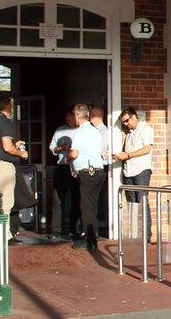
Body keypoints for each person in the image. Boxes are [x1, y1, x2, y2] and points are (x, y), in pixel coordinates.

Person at [67, 103, 106, 251]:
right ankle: (92, 235)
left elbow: (74, 153)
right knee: (92, 205)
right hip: (98, 172)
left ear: (77, 116)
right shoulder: (95, 131)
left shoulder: (80, 132)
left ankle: (89, 239)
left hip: (88, 173)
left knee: (86, 207)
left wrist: (68, 157)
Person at [113, 107, 154, 242]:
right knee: (133, 203)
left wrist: (128, 155)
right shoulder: (130, 133)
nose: (125, 124)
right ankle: (135, 234)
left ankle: (146, 236)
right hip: (129, 171)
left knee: (142, 201)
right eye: (123, 122)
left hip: (141, 170)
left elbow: (147, 149)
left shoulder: (145, 129)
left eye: (126, 121)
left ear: (134, 116)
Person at [0, 96, 28, 245]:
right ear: (8, 107)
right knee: (6, 202)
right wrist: (21, 152)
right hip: (4, 166)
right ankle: (5, 235)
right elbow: (7, 147)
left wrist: (15, 144)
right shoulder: (6, 121)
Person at [49, 107, 80, 240]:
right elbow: (52, 148)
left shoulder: (81, 131)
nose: (68, 119)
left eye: (70, 116)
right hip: (62, 166)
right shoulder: (60, 130)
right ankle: (56, 229)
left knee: (76, 199)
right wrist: (60, 148)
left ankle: (75, 229)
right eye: (67, 116)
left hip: (75, 166)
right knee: (58, 198)